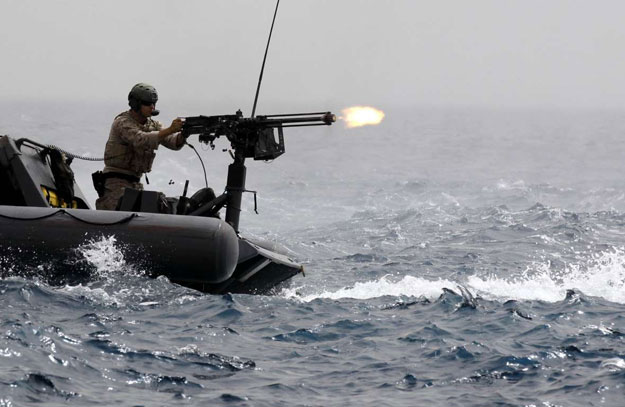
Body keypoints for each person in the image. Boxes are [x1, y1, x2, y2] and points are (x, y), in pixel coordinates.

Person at [95, 83, 185, 210]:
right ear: (136, 103)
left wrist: (184, 134)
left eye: (154, 103)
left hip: (135, 183)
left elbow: (173, 142)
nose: (152, 107)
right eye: (148, 103)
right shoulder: (122, 123)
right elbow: (140, 139)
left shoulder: (152, 125)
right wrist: (170, 129)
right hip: (115, 183)